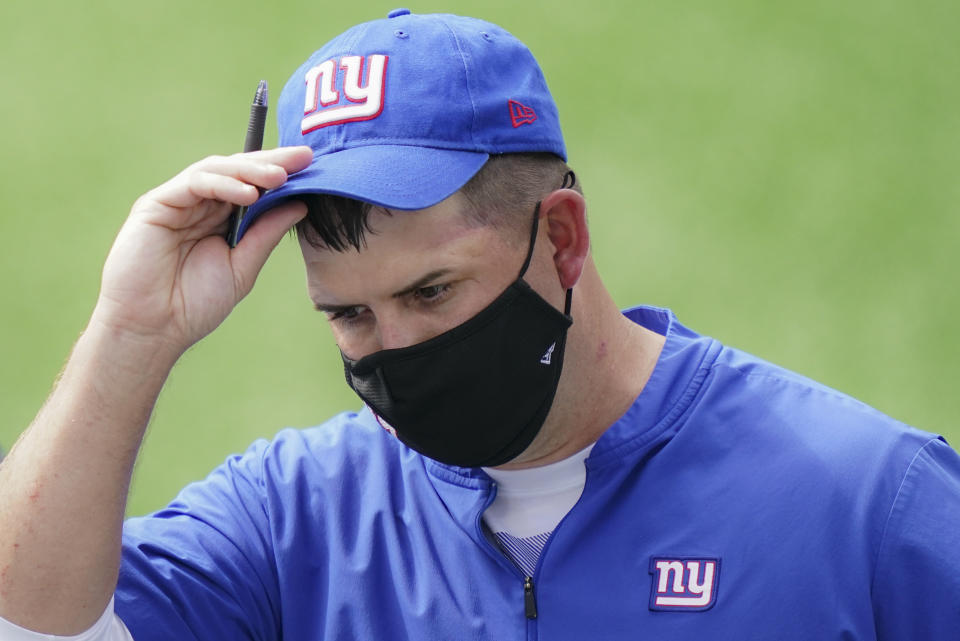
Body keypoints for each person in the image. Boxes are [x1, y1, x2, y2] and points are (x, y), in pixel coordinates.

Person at [1, 9, 958, 641]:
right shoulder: (294, 520)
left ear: (563, 236)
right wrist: (129, 336)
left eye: (432, 294)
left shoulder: (867, 503)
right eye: (348, 313)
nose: (399, 349)